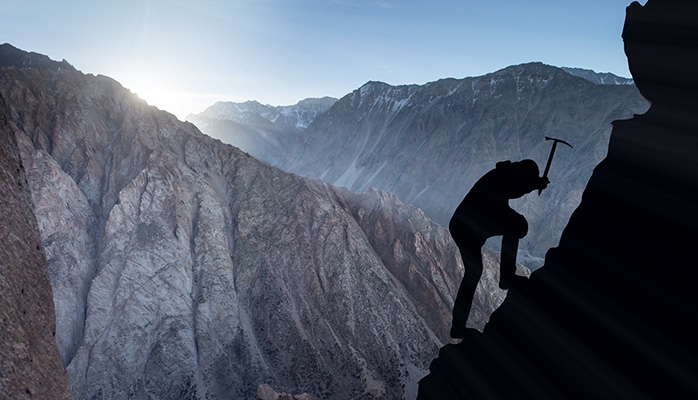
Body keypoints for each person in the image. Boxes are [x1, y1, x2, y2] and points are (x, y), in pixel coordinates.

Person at [449, 159, 548, 338]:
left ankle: (458, 326)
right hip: (468, 227)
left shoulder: (502, 174)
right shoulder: (502, 177)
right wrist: (534, 184)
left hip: (466, 225)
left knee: (473, 274)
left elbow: (514, 187)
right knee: (518, 225)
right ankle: (506, 276)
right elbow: (514, 187)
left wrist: (533, 184)